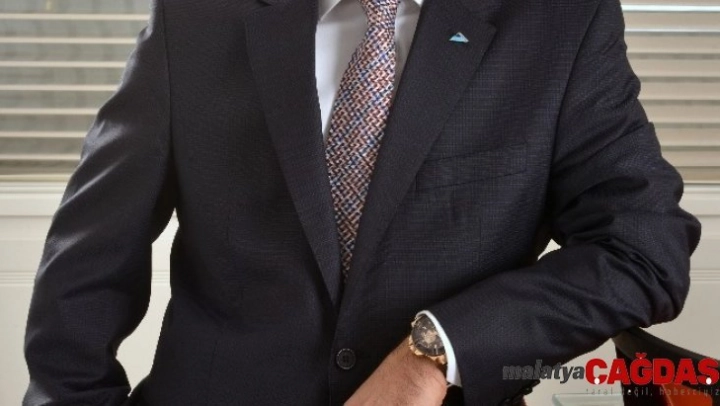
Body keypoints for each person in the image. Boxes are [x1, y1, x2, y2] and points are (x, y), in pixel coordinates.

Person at [22, 0, 702, 404]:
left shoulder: (561, 22)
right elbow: (87, 261)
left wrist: (436, 351)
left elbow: (645, 249)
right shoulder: (197, 15)